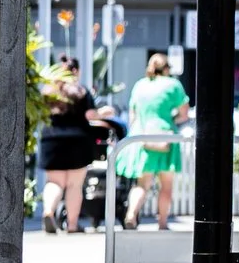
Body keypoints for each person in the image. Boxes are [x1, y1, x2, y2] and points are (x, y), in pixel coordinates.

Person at [36, 57, 111, 233]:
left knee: (54, 182)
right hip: (78, 141)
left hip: (51, 140)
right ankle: (72, 224)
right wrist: (103, 112)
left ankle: (49, 211)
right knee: (74, 185)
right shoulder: (81, 91)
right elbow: (90, 115)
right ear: (76, 71)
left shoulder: (48, 91)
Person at [121, 52, 193, 230]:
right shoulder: (173, 85)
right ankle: (162, 223)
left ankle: (131, 214)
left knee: (142, 184)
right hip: (165, 136)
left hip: (143, 137)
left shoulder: (140, 85)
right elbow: (184, 113)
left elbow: (133, 115)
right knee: (166, 185)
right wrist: (171, 120)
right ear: (167, 68)